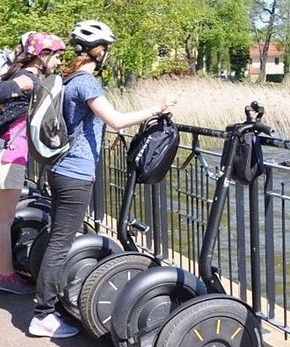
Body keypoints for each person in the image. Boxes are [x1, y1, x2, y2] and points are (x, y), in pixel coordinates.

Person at [28, 20, 178, 339]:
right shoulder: (86, 83)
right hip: (75, 172)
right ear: (99, 51)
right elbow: (117, 121)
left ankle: (45, 306)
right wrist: (157, 108)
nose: (107, 53)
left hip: (59, 169)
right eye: (106, 48)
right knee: (60, 243)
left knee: (58, 236)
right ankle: (43, 314)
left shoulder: (67, 80)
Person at [0, 32, 66, 295]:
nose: (59, 61)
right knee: (3, 220)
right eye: (57, 55)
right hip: (9, 156)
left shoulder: (23, 76)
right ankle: (5, 276)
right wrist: (19, 87)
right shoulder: (27, 79)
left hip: (7, 154)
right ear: (42, 56)